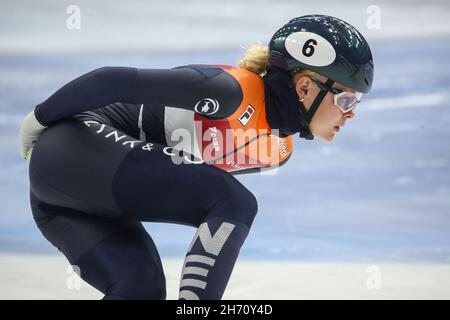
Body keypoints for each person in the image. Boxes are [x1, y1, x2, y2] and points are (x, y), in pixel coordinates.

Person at [18, 15, 373, 300]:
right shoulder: (229, 91)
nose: (351, 113)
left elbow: (176, 186)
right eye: (346, 100)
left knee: (139, 288)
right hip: (71, 147)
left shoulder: (276, 152)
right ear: (305, 87)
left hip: (63, 203)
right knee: (234, 200)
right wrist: (39, 118)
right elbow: (110, 80)